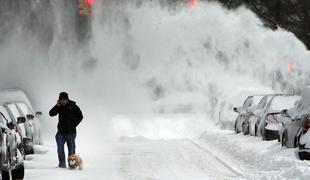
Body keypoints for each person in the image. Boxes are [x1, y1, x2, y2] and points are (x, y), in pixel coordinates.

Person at [49, 92, 83, 168]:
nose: (63, 102)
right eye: (61, 100)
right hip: (60, 132)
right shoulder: (59, 106)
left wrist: (74, 124)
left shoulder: (73, 106)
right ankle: (62, 164)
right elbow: (51, 114)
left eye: (64, 100)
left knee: (71, 149)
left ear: (67, 99)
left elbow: (80, 116)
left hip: (71, 132)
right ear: (59, 100)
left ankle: (72, 165)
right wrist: (57, 106)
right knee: (60, 149)